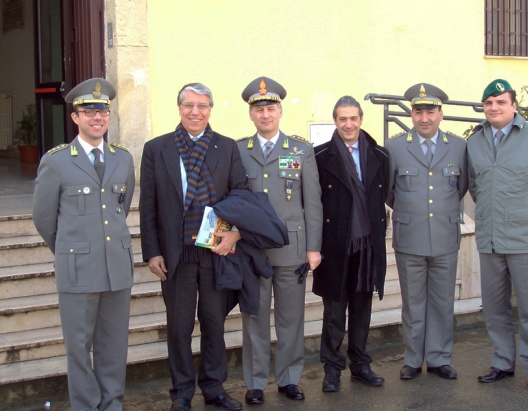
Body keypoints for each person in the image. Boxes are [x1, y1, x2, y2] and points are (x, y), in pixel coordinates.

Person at [139, 83, 247, 411]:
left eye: (202, 106)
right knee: (180, 326)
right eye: (189, 105)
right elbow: (148, 205)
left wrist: (236, 234)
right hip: (176, 253)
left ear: (211, 109)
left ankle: (214, 388)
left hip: (215, 249)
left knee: (214, 323)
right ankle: (182, 392)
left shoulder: (227, 147)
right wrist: (152, 251)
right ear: (179, 108)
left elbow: (240, 194)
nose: (195, 112)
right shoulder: (157, 149)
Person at [33, 78, 135, 411]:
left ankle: (112, 404)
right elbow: (44, 219)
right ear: (75, 117)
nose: (97, 118)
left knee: (114, 346)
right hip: (77, 269)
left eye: (102, 111)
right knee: (79, 348)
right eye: (88, 111)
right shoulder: (57, 160)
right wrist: (70, 249)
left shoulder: (123, 159)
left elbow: (122, 206)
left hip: (116, 268)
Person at [467, 79, 528, 392]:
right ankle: (502, 362)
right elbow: (474, 186)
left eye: (500, 102)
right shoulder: (475, 141)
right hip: (490, 235)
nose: (493, 108)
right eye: (488, 103)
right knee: (495, 307)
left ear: (513, 106)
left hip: (524, 237)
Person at [236, 76, 323, 404]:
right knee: (255, 319)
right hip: (253, 251)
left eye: (271, 108)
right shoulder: (238, 151)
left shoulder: (301, 150)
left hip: (291, 249)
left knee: (291, 318)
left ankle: (289, 378)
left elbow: (312, 202)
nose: (265, 115)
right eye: (259, 110)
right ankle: (256, 382)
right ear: (251, 115)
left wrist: (313, 248)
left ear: (280, 111)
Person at [385, 83, 468, 381]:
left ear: (440, 114)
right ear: (411, 114)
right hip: (410, 238)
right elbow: (389, 192)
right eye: (419, 111)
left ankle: (439, 358)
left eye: (430, 111)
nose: (424, 118)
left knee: (443, 302)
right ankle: (412, 359)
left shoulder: (458, 147)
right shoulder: (395, 147)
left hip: (445, 237)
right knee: (413, 303)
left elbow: (461, 188)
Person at [313, 95, 389, 392]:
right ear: (335, 121)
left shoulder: (379, 155)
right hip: (334, 246)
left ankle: (360, 365)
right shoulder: (319, 156)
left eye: (353, 118)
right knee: (333, 313)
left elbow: (385, 196)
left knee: (361, 309)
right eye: (342, 119)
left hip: (367, 247)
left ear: (360, 120)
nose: (348, 124)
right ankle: (331, 369)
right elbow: (313, 204)